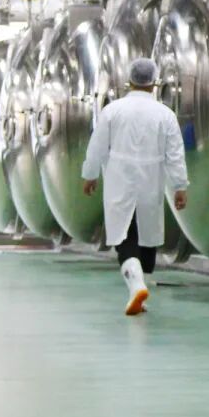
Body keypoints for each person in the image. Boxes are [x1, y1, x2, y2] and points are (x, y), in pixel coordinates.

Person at [81, 58, 189, 316]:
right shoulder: (165, 114)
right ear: (154, 83)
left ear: (129, 81)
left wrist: (90, 174)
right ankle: (142, 291)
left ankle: (136, 286)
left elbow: (97, 146)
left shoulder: (112, 111)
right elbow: (175, 154)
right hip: (151, 181)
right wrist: (180, 186)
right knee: (147, 237)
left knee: (125, 237)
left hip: (120, 180)